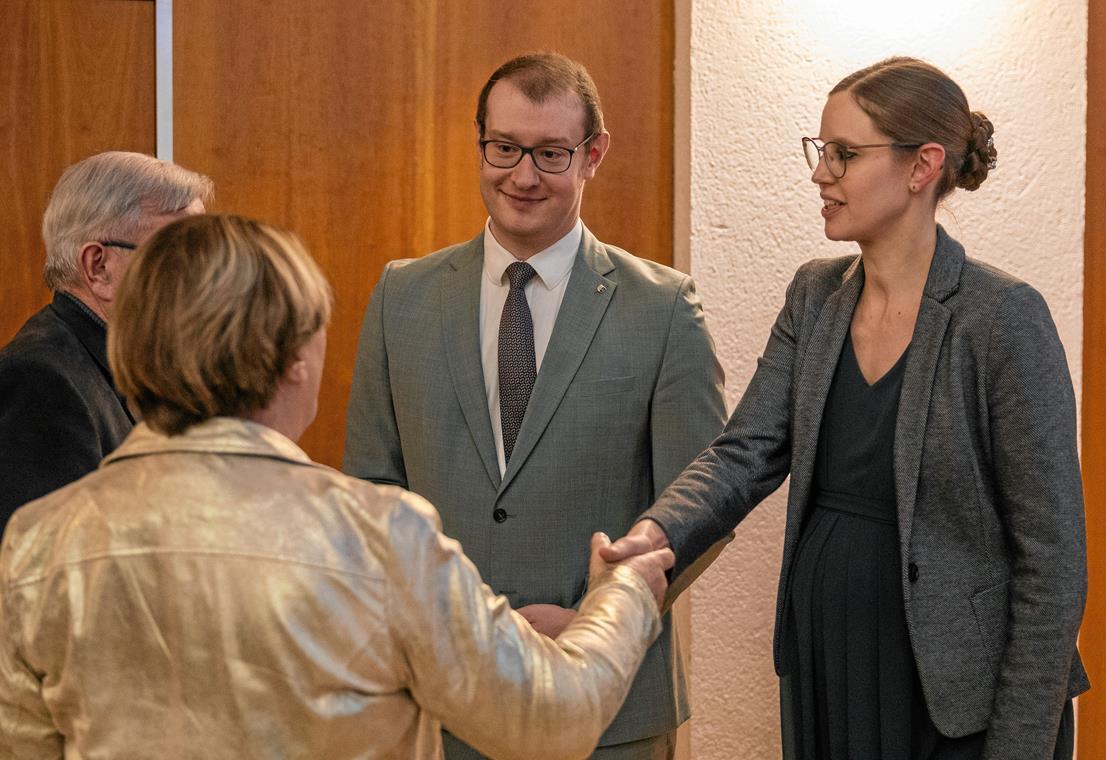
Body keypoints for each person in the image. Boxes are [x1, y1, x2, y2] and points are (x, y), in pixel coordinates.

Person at [0, 214, 676, 760]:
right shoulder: (380, 535)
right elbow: (550, 720)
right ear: (295, 361)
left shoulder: (37, 543)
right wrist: (623, 597)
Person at [604, 57, 1089, 759]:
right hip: (828, 665)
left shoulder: (1003, 318)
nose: (820, 173)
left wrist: (1019, 745)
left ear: (922, 166)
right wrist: (654, 535)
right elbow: (743, 454)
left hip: (956, 701)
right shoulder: (815, 295)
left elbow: (1054, 562)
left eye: (844, 154)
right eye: (820, 150)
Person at [344, 52, 725, 759]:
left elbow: (701, 507)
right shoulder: (403, 297)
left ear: (593, 155)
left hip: (610, 712)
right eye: (505, 148)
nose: (522, 176)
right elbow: (373, 492)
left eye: (551, 153)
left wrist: (599, 622)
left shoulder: (664, 309)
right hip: (438, 704)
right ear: (480, 143)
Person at [0, 151, 211, 530]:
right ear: (98, 266)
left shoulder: (141, 361)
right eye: (176, 253)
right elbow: (52, 569)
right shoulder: (40, 380)